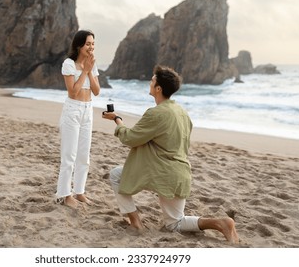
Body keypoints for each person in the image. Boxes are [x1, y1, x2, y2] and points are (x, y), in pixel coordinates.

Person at [102, 65, 239, 243]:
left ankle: (135, 223)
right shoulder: (182, 112)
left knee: (115, 175)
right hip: (181, 173)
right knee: (175, 223)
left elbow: (130, 138)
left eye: (152, 80)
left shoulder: (156, 113)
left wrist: (117, 120)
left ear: (158, 88)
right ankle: (220, 223)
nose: (150, 82)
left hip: (162, 173)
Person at [56, 30, 100, 208]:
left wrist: (89, 70)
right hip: (72, 110)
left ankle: (79, 191)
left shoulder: (91, 64)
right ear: (79, 45)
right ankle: (65, 194)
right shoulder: (68, 64)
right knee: (69, 156)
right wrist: (85, 71)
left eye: (93, 44)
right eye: (88, 44)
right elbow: (73, 92)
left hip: (87, 110)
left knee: (84, 156)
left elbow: (96, 91)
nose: (91, 47)